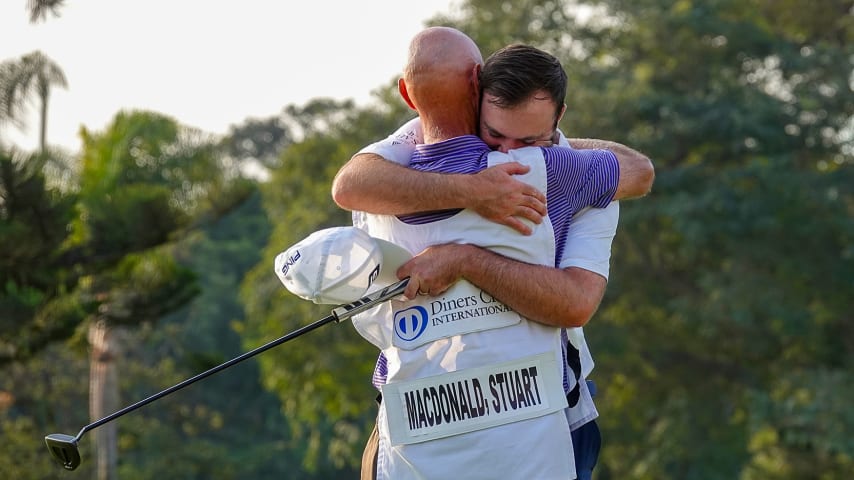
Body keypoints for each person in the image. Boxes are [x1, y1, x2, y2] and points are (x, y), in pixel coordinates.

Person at [335, 27, 653, 479]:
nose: (508, 155)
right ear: (477, 86)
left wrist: (463, 258)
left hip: (518, 421)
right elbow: (347, 185)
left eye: (528, 143)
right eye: (495, 134)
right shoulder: (403, 153)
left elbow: (578, 301)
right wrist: (475, 189)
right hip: (424, 426)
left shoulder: (572, 173)